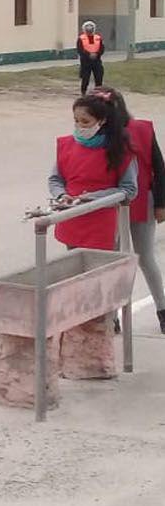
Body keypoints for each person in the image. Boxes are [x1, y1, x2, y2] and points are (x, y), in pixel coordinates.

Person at [90, 87, 165, 333]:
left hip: (141, 199)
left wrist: (161, 204)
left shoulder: (140, 129)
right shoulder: (97, 134)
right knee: (115, 261)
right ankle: (111, 316)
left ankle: (161, 308)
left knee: (144, 257)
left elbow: (158, 166)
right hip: (111, 204)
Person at [48, 94, 137, 251]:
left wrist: (92, 198)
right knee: (77, 269)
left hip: (102, 222)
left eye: (85, 122)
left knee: (105, 271)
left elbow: (129, 189)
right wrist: (61, 196)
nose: (79, 126)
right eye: (76, 120)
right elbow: (55, 179)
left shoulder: (120, 150)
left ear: (102, 121)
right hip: (72, 217)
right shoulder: (66, 145)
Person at [77, 20, 105, 95]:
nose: (89, 30)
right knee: (85, 78)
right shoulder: (81, 38)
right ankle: (83, 92)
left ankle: (98, 92)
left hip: (97, 61)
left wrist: (97, 54)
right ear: (84, 29)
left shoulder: (98, 38)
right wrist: (89, 55)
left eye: (91, 28)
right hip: (85, 61)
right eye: (87, 29)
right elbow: (80, 50)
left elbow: (102, 48)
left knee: (99, 77)